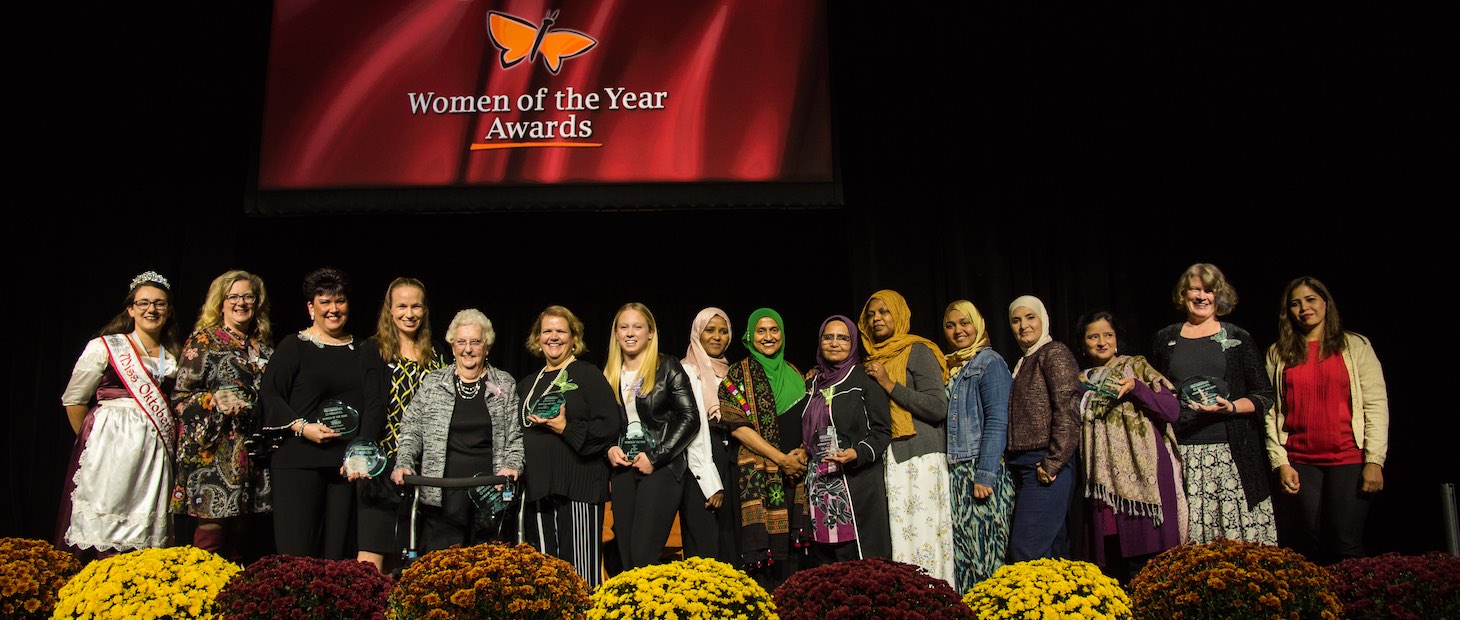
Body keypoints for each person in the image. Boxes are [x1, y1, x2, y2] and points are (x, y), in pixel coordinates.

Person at [1150, 263, 1276, 545]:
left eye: (1209, 290)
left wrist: (1229, 408)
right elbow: (1157, 393)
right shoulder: (1164, 339)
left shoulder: (1238, 338)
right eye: (1195, 289)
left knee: (1238, 545)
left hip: (1233, 458)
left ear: (1219, 296)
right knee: (1191, 543)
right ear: (1183, 295)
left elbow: (1265, 394)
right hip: (1183, 456)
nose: (1201, 296)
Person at [58, 271, 181, 558]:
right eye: (144, 303)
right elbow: (74, 400)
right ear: (131, 309)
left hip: (152, 453)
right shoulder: (106, 346)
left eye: (160, 304)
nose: (152, 310)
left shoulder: (174, 356)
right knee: (105, 517)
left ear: (169, 310)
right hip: (108, 447)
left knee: (144, 522)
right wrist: (92, 439)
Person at [1266, 276, 1389, 563]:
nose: (1304, 308)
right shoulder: (1278, 352)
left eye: (1311, 300)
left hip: (1348, 459)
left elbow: (1376, 404)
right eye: (1295, 303)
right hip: (1299, 461)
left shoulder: (1355, 346)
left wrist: (1374, 461)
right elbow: (1269, 411)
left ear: (1325, 303)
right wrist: (1280, 462)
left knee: (1345, 545)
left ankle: (1352, 607)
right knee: (1306, 546)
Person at [391, 309, 522, 555]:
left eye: (475, 342)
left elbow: (516, 437)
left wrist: (512, 465)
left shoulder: (504, 384)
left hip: (488, 495)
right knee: (441, 571)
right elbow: (411, 428)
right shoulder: (433, 383)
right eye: (461, 342)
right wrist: (404, 461)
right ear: (452, 347)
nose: (468, 349)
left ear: (487, 346)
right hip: (442, 497)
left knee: (487, 572)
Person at [260, 267, 365, 559]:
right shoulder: (293, 346)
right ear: (311, 307)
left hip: (344, 466)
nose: (334, 309)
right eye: (325, 302)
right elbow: (270, 395)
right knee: (297, 553)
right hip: (298, 461)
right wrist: (301, 427)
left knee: (337, 556)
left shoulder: (362, 350)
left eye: (340, 301)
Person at [170, 270, 274, 562]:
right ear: (221, 302)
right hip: (214, 451)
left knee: (245, 532)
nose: (241, 303)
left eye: (248, 297)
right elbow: (180, 398)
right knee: (213, 530)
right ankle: (202, 596)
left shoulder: (263, 347)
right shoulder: (204, 341)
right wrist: (213, 399)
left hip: (254, 450)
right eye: (234, 296)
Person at [1074, 311, 1186, 583]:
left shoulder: (1137, 367)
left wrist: (1136, 388)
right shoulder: (1080, 382)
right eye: (1093, 336)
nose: (1102, 342)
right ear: (1083, 343)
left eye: (1108, 335)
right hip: (1104, 486)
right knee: (1115, 566)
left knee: (1151, 566)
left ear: (1117, 340)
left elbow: (1171, 410)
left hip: (1145, 480)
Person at [517, 305, 619, 588]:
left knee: (581, 577)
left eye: (561, 331)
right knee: (545, 576)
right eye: (546, 331)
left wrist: (565, 428)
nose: (553, 337)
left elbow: (610, 424)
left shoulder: (587, 375)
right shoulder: (527, 384)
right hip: (539, 489)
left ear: (574, 338)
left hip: (580, 488)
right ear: (537, 338)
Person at [858, 289, 953, 582]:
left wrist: (889, 383)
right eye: (871, 314)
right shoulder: (869, 359)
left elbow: (938, 407)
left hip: (920, 457)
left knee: (924, 542)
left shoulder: (918, 350)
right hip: (891, 458)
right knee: (901, 543)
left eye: (884, 312)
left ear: (898, 314)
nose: (876, 319)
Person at [715, 308, 809, 589]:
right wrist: (780, 459)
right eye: (761, 331)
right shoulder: (737, 374)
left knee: (794, 559)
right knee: (762, 568)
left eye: (774, 330)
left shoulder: (795, 373)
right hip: (759, 475)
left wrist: (803, 452)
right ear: (750, 336)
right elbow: (737, 426)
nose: (768, 337)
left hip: (796, 473)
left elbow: (811, 419)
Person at [356, 277, 445, 570]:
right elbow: (370, 406)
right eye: (402, 306)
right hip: (382, 465)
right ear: (390, 311)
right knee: (372, 556)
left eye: (416, 306)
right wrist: (360, 454)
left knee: (416, 558)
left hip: (426, 469)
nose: (410, 313)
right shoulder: (374, 351)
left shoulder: (439, 355)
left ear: (425, 310)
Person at [602, 302, 699, 570]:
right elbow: (605, 424)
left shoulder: (668, 367)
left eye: (637, 326)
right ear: (616, 334)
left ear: (651, 333)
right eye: (624, 327)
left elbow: (691, 418)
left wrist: (656, 457)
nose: (630, 333)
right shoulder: (609, 373)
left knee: (643, 555)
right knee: (625, 557)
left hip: (661, 468)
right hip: (623, 470)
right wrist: (609, 448)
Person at [799, 315, 894, 563]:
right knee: (824, 562)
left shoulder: (864, 379)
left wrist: (857, 453)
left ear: (852, 343)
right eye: (828, 337)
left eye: (843, 338)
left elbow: (882, 431)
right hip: (819, 484)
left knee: (854, 560)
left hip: (853, 484)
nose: (834, 343)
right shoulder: (812, 383)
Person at [942, 299, 1014, 592]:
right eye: (950, 325)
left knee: (987, 559)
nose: (958, 330)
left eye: (965, 322)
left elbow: (997, 420)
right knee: (965, 561)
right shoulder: (952, 365)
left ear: (978, 324)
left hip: (980, 470)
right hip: (957, 473)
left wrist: (985, 474)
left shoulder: (989, 361)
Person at [1005, 295, 1081, 561]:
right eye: (1016, 320)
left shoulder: (1053, 353)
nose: (1023, 325)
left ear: (1043, 319)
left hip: (1044, 467)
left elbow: (1068, 409)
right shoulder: (1025, 361)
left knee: (1026, 552)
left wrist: (1054, 462)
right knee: (1052, 554)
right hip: (1027, 467)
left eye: (1030, 317)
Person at [677, 307, 734, 563]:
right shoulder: (686, 372)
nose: (716, 337)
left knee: (727, 546)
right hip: (699, 468)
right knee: (704, 548)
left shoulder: (731, 373)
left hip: (728, 461)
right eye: (709, 330)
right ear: (697, 334)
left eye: (723, 331)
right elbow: (692, 432)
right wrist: (711, 483)